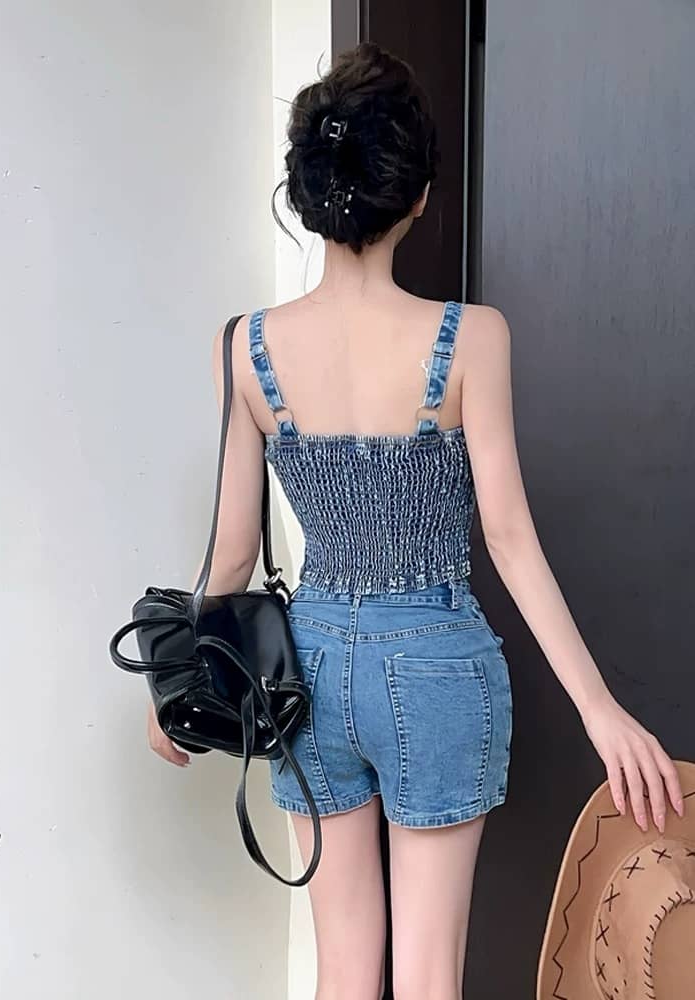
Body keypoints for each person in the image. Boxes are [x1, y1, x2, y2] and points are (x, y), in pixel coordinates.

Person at [146, 40, 684, 1000]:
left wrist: (172, 686)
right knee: (430, 979)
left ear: (308, 193)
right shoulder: (473, 337)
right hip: (439, 665)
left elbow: (229, 558)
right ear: (419, 197)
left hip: (307, 670)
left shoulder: (246, 347)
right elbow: (508, 538)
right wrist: (600, 710)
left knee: (344, 976)